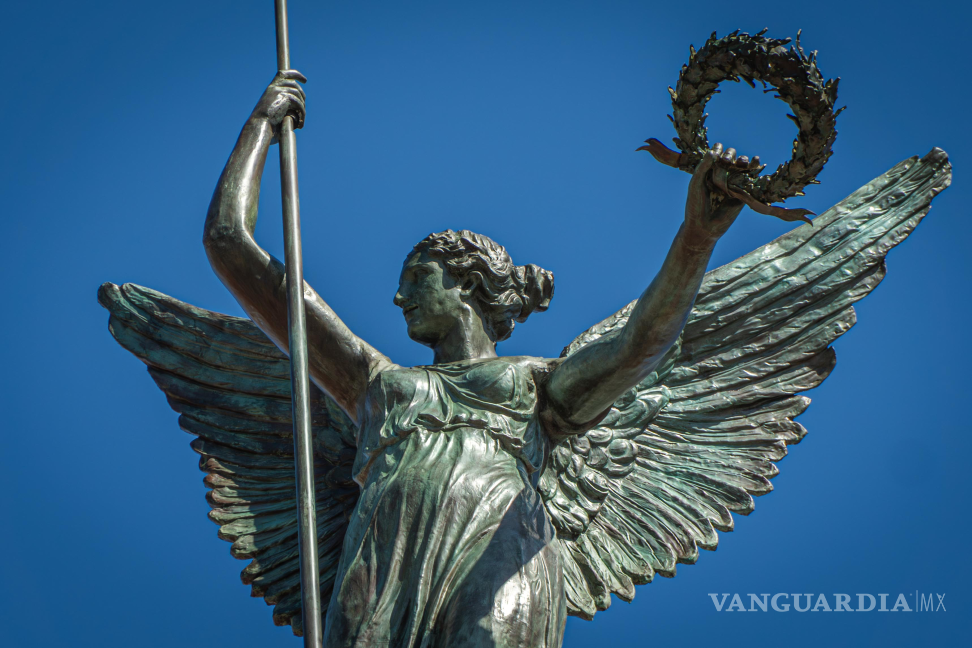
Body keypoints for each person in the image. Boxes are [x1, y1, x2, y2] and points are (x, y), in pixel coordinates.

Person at [203, 70, 753, 648]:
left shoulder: (535, 384)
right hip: (387, 555)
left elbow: (642, 344)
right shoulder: (373, 382)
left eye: (417, 279)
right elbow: (227, 243)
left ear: (466, 283)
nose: (398, 297)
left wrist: (697, 237)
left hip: (501, 544)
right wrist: (261, 124)